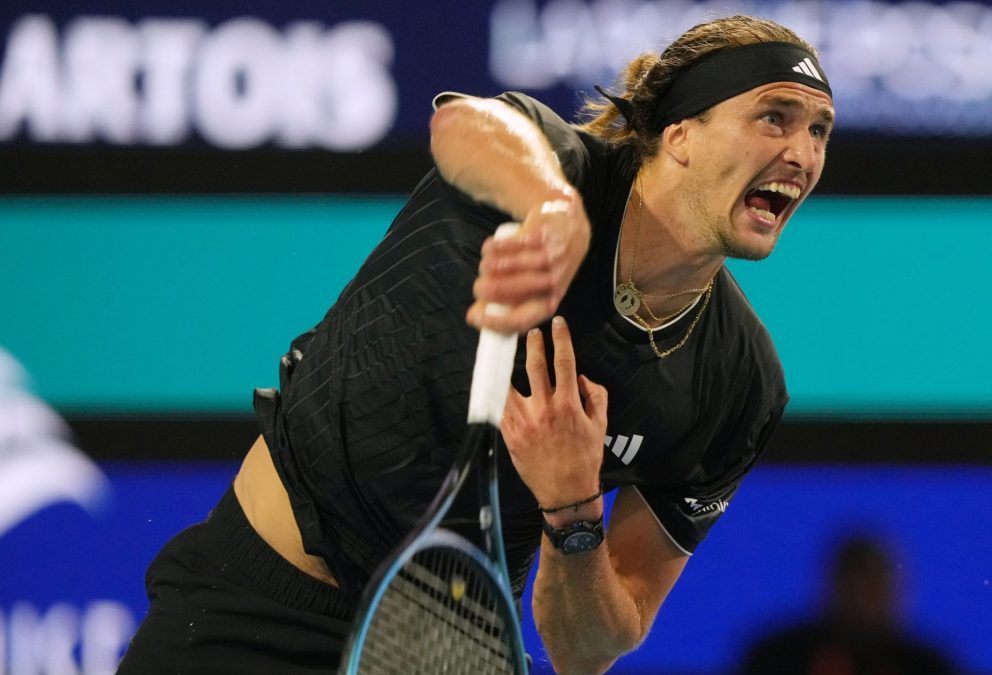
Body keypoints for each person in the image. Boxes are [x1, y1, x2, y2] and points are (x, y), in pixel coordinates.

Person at [117, 14, 834, 675]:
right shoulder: (550, 164)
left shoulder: (740, 383)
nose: (802, 153)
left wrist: (574, 510)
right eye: (774, 117)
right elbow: (470, 123)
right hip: (255, 608)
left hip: (444, 654)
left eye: (820, 132)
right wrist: (548, 206)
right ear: (679, 132)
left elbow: (586, 649)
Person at [740, 535, 959, 675]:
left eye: (873, 588)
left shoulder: (927, 667)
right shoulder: (776, 659)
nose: (862, 600)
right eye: (853, 587)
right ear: (833, 587)